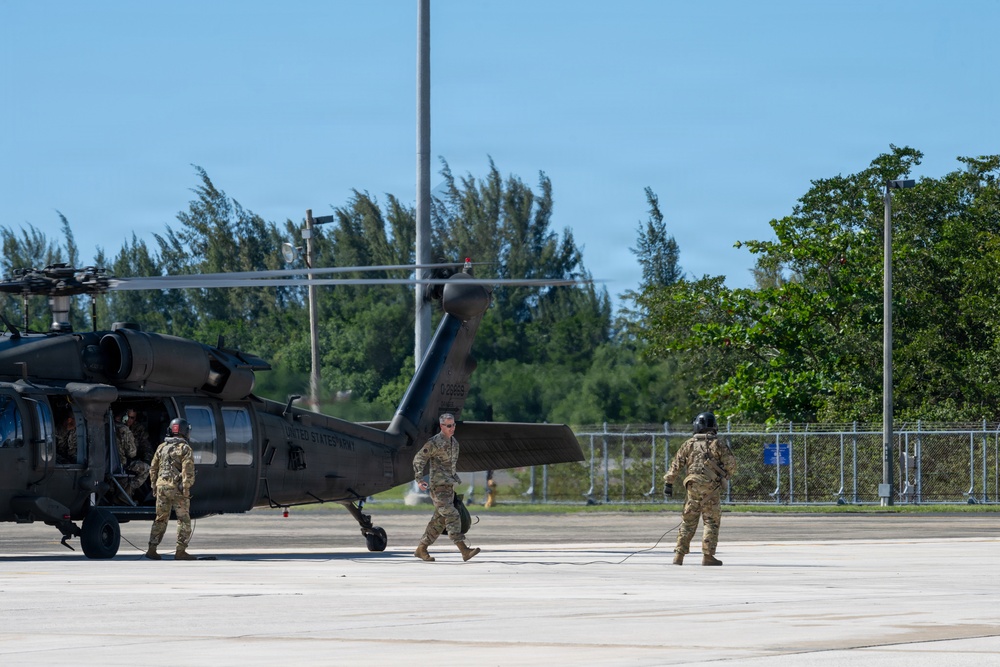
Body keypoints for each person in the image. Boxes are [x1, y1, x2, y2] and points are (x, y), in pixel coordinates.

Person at [663, 411, 737, 566]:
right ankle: (708, 556)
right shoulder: (718, 444)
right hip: (711, 489)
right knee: (711, 522)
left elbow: (676, 464)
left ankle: (679, 555)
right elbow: (731, 464)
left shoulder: (689, 444)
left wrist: (668, 483)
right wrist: (723, 476)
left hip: (692, 487)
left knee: (688, 521)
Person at [412, 413, 480, 562]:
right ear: (442, 426)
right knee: (453, 515)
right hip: (438, 488)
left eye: (453, 425)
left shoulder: (454, 443)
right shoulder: (434, 442)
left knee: (439, 521)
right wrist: (419, 479)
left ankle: (421, 549)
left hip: (448, 487)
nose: (452, 428)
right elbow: (419, 459)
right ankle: (464, 549)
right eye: (448, 425)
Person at [145, 417, 197, 561]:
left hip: (162, 487)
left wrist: (155, 486)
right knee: (183, 519)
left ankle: (152, 549)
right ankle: (180, 551)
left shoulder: (161, 447)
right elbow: (188, 470)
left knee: (160, 519)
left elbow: (153, 468)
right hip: (177, 489)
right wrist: (186, 487)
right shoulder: (185, 448)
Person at [113, 410, 150, 498]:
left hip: (113, 463)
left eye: (132, 418)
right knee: (147, 469)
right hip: (122, 463)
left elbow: (146, 447)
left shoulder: (110, 426)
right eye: (127, 417)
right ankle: (125, 494)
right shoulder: (123, 429)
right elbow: (132, 453)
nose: (129, 420)